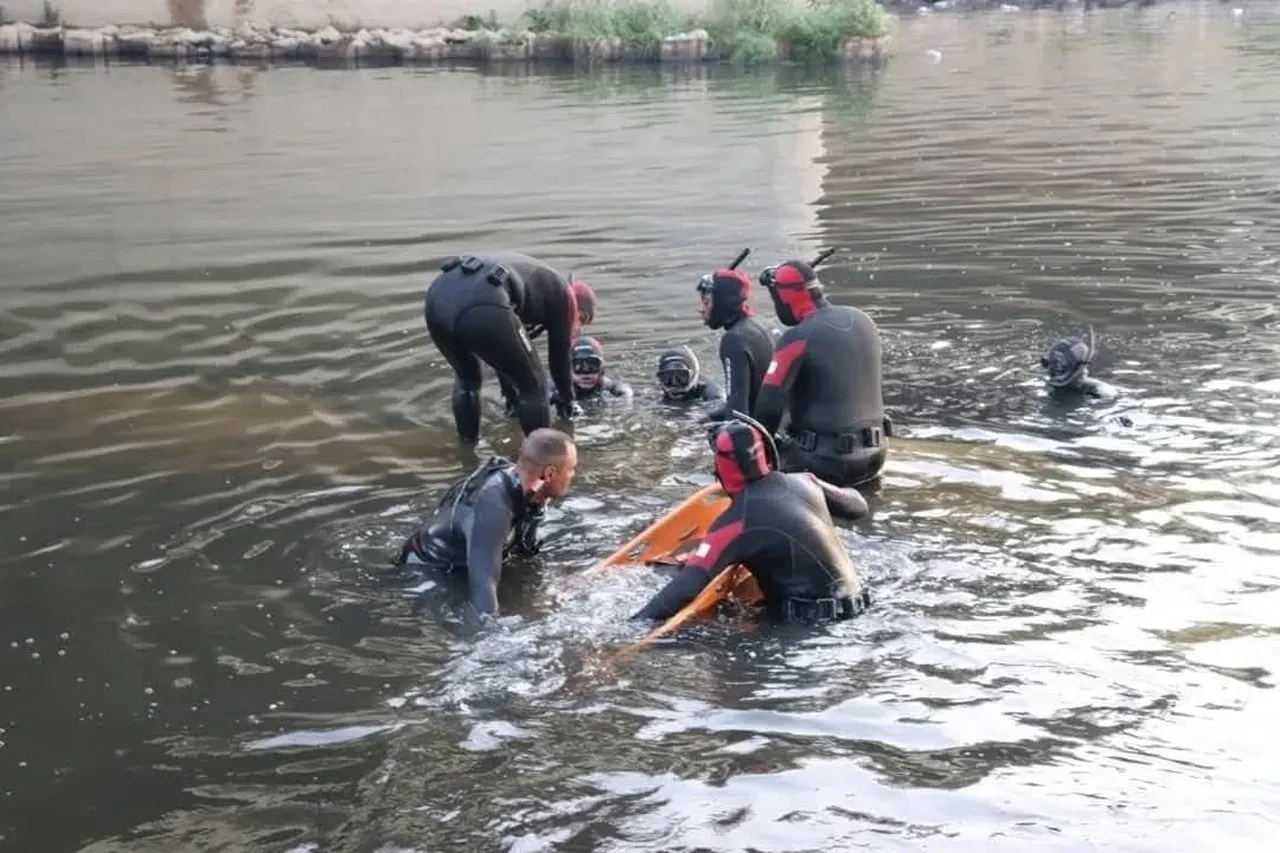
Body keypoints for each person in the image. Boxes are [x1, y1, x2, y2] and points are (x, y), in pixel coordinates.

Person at [632, 418, 871, 625]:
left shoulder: (736, 524)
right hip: (861, 606)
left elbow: (685, 588)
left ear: (721, 467)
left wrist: (630, 628)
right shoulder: (807, 481)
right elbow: (858, 506)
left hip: (807, 629)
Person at [393, 428, 578, 620]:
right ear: (549, 474)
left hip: (470, 555)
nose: (573, 474)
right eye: (571, 468)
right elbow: (483, 596)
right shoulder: (493, 507)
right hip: (430, 570)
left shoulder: (528, 487)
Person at [424, 251, 597, 443]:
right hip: (486, 301)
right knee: (535, 385)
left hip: (438, 299)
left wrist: (512, 398)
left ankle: (466, 454)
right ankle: (540, 464)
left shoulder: (540, 288)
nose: (577, 330)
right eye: (582, 321)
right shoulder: (565, 297)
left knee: (467, 379)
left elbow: (504, 353)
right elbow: (559, 359)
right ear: (580, 313)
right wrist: (568, 403)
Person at [754, 258, 891, 488]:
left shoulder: (797, 337)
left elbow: (767, 408)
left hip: (822, 463)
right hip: (876, 455)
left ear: (784, 297)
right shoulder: (863, 320)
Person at [696, 268, 775, 422]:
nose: (701, 309)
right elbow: (754, 397)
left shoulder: (734, 339)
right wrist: (703, 420)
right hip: (783, 428)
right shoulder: (763, 325)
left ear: (722, 303)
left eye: (706, 302)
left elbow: (737, 414)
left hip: (762, 437)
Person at [1041, 331, 1117, 401]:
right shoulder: (1048, 386)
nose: (1050, 370)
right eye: (1048, 363)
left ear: (1079, 368)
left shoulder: (1100, 391)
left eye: (1059, 366)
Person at [553, 336, 633, 402]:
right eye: (578, 366)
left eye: (592, 365)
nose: (586, 374)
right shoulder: (554, 388)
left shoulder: (615, 390)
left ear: (602, 369)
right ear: (568, 369)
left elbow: (627, 397)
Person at [656, 346, 724, 404]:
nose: (674, 383)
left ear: (694, 375)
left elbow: (719, 404)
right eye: (667, 378)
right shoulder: (654, 392)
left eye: (681, 376)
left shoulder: (708, 390)